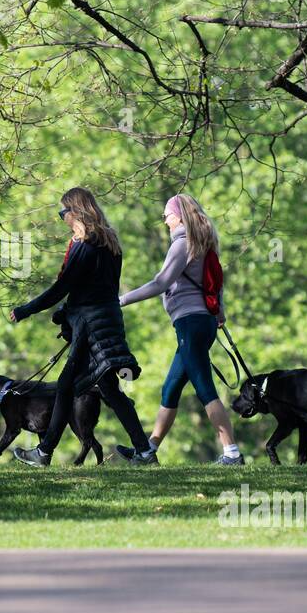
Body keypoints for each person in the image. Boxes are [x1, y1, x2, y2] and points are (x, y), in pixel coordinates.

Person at [6, 187, 156, 467]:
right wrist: (66, 312)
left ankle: (44, 452)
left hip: (91, 324)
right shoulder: (110, 242)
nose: (62, 217)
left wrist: (26, 310)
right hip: (108, 319)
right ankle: (145, 451)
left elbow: (63, 286)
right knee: (110, 388)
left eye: (63, 212)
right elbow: (94, 287)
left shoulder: (86, 245)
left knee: (66, 385)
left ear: (75, 212)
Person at [117, 193, 244, 465]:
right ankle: (148, 450)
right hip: (202, 322)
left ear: (178, 215)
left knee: (204, 387)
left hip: (190, 323)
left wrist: (122, 300)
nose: (164, 221)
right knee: (171, 388)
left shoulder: (183, 244)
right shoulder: (204, 244)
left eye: (166, 215)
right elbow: (216, 284)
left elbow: (161, 282)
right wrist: (219, 311)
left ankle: (232, 453)